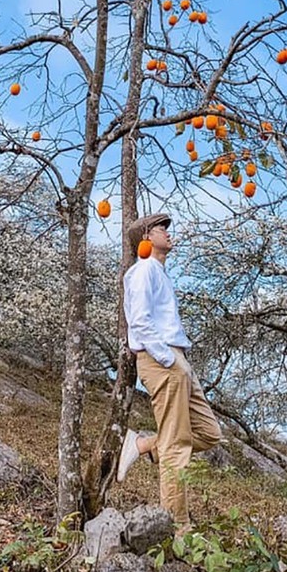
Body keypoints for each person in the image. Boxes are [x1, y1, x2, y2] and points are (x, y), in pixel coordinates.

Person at [117, 212, 221, 532]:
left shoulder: (159, 272)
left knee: (209, 433)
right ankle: (178, 527)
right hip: (163, 360)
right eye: (162, 228)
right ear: (146, 236)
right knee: (176, 447)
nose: (168, 233)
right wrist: (166, 359)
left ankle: (143, 445)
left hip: (177, 359)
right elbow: (139, 322)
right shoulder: (142, 271)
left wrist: (177, 361)